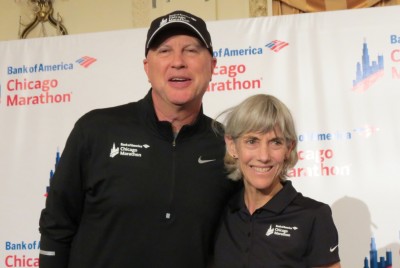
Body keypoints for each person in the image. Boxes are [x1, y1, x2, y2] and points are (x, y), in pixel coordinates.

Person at [38, 10, 239, 268]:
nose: (178, 61)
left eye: (191, 50)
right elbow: (56, 226)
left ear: (212, 66)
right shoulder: (96, 130)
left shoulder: (229, 146)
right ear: (147, 67)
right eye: (164, 51)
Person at [211, 94, 341, 268]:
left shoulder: (314, 215)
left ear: (289, 148)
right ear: (233, 146)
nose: (264, 156)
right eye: (252, 141)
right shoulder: (219, 211)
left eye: (275, 142)